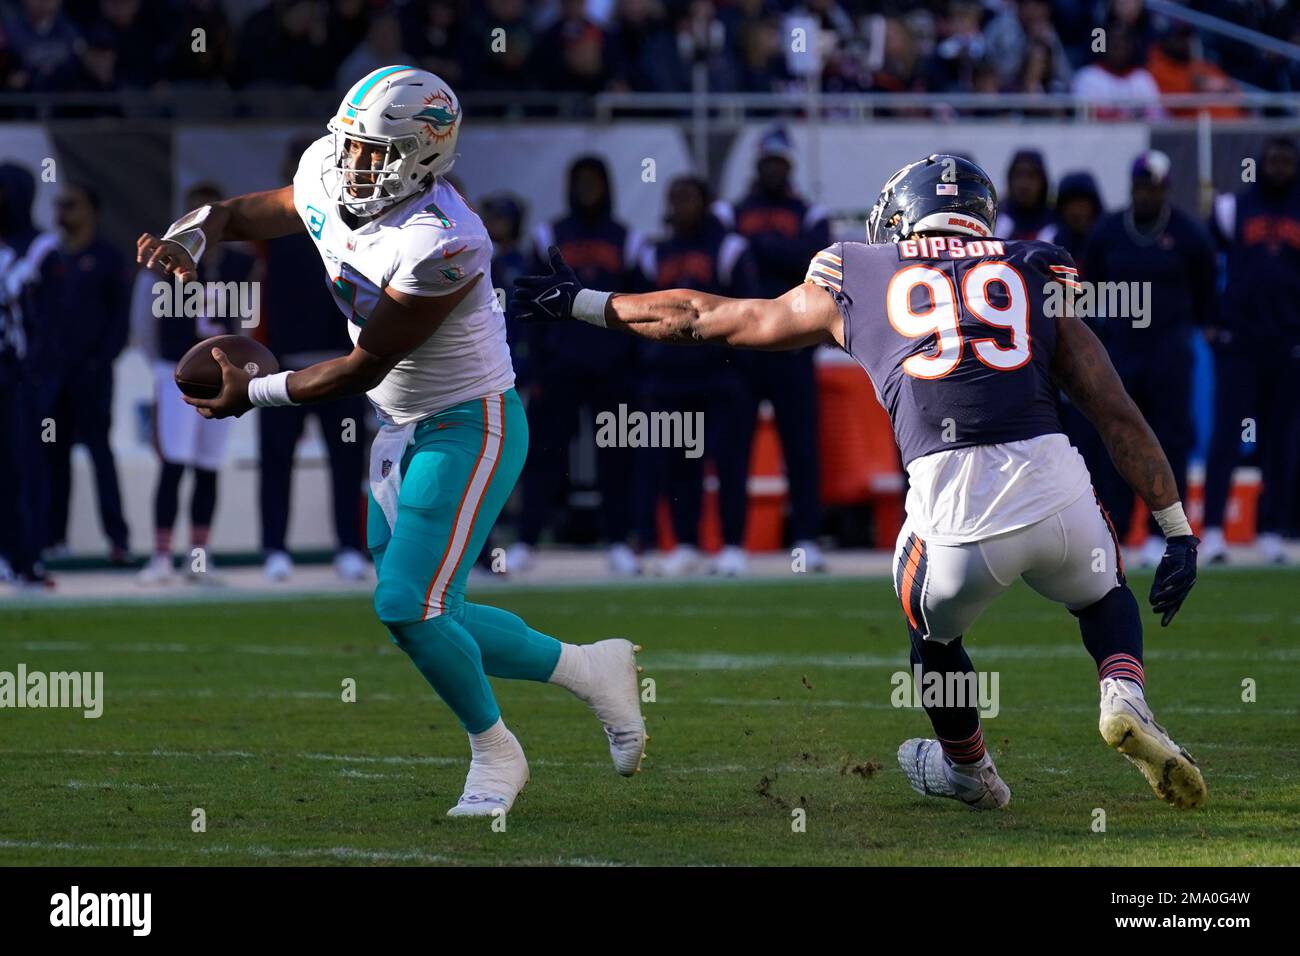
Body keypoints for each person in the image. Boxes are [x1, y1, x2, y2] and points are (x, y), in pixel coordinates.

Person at [514, 153, 1206, 812]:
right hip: (1055, 486)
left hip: (954, 508)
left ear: (900, 215)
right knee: (1103, 591)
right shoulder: (1028, 265)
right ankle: (1122, 693)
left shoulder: (861, 270)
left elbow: (709, 318)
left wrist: (583, 301)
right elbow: (1114, 411)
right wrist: (1175, 528)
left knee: (930, 633)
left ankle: (969, 772)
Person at [136, 66, 645, 817]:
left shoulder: (444, 240)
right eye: (349, 144)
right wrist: (195, 232)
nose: (352, 163)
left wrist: (258, 393)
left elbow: (362, 363)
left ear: (424, 155)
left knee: (408, 604)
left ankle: (497, 755)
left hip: (468, 423)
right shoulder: (325, 169)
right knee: (432, 608)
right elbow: (244, 213)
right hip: (398, 428)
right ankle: (589, 669)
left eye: (373, 151)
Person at [509, 156, 644, 576]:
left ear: (607, 186)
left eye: (594, 182)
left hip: (613, 368)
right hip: (559, 367)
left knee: (617, 457)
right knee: (544, 457)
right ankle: (527, 541)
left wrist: (633, 364)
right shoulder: (550, 235)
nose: (588, 189)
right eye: (580, 182)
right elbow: (527, 303)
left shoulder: (628, 238)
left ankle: (619, 541)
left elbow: (641, 305)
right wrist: (535, 364)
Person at [1084, 150, 1217, 565]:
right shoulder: (1109, 231)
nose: (1146, 194)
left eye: (1153, 187)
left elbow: (1207, 287)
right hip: (1122, 353)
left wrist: (1198, 326)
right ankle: (1119, 530)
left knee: (1169, 440)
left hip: (1170, 352)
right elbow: (1087, 288)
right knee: (1119, 439)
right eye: (1141, 186)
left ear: (1166, 189)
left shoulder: (1189, 233)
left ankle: (1168, 532)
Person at [714, 126, 828, 572]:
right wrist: (783, 253)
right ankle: (731, 546)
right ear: (757, 164)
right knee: (732, 451)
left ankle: (807, 541)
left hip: (794, 345)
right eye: (767, 161)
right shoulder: (729, 210)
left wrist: (763, 250)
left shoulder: (809, 211)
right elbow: (731, 263)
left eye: (780, 161)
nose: (773, 169)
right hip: (741, 349)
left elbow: (813, 262)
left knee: (801, 449)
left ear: (790, 165)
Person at [258, 135, 369, 583]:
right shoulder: (271, 225)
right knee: (276, 459)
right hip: (284, 362)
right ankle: (274, 549)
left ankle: (347, 546)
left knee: (346, 459)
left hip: (342, 363)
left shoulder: (353, 221)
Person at [635, 174, 756, 577]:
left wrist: (735, 368)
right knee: (677, 466)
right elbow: (639, 313)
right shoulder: (655, 253)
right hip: (671, 381)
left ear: (705, 202)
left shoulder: (730, 248)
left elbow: (746, 312)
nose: (680, 205)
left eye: (688, 197)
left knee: (729, 466)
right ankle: (685, 543)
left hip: (719, 379)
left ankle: (733, 546)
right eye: (674, 197)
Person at [135, 181, 254, 585]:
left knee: (208, 466)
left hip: (221, 377)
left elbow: (249, 322)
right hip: (176, 373)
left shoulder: (239, 263)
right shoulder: (162, 261)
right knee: (174, 463)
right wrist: (160, 368)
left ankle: (199, 559)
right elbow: (144, 320)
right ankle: (162, 557)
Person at [1203, 137, 1300, 564]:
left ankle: (1272, 529)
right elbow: (1201, 262)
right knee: (1227, 436)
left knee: (1281, 440)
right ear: (1260, 163)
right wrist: (1209, 320)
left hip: (1287, 345)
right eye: (1273, 158)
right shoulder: (1231, 209)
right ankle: (1212, 529)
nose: (1279, 166)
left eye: (1287, 160)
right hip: (1240, 346)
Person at [44, 181, 131, 562]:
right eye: (59, 205)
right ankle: (52, 539)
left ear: (91, 211)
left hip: (92, 375)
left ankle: (118, 540)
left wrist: (102, 359)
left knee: (100, 454)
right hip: (51, 376)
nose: (63, 212)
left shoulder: (108, 258)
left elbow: (120, 316)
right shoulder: (47, 257)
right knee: (51, 456)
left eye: (71, 205)